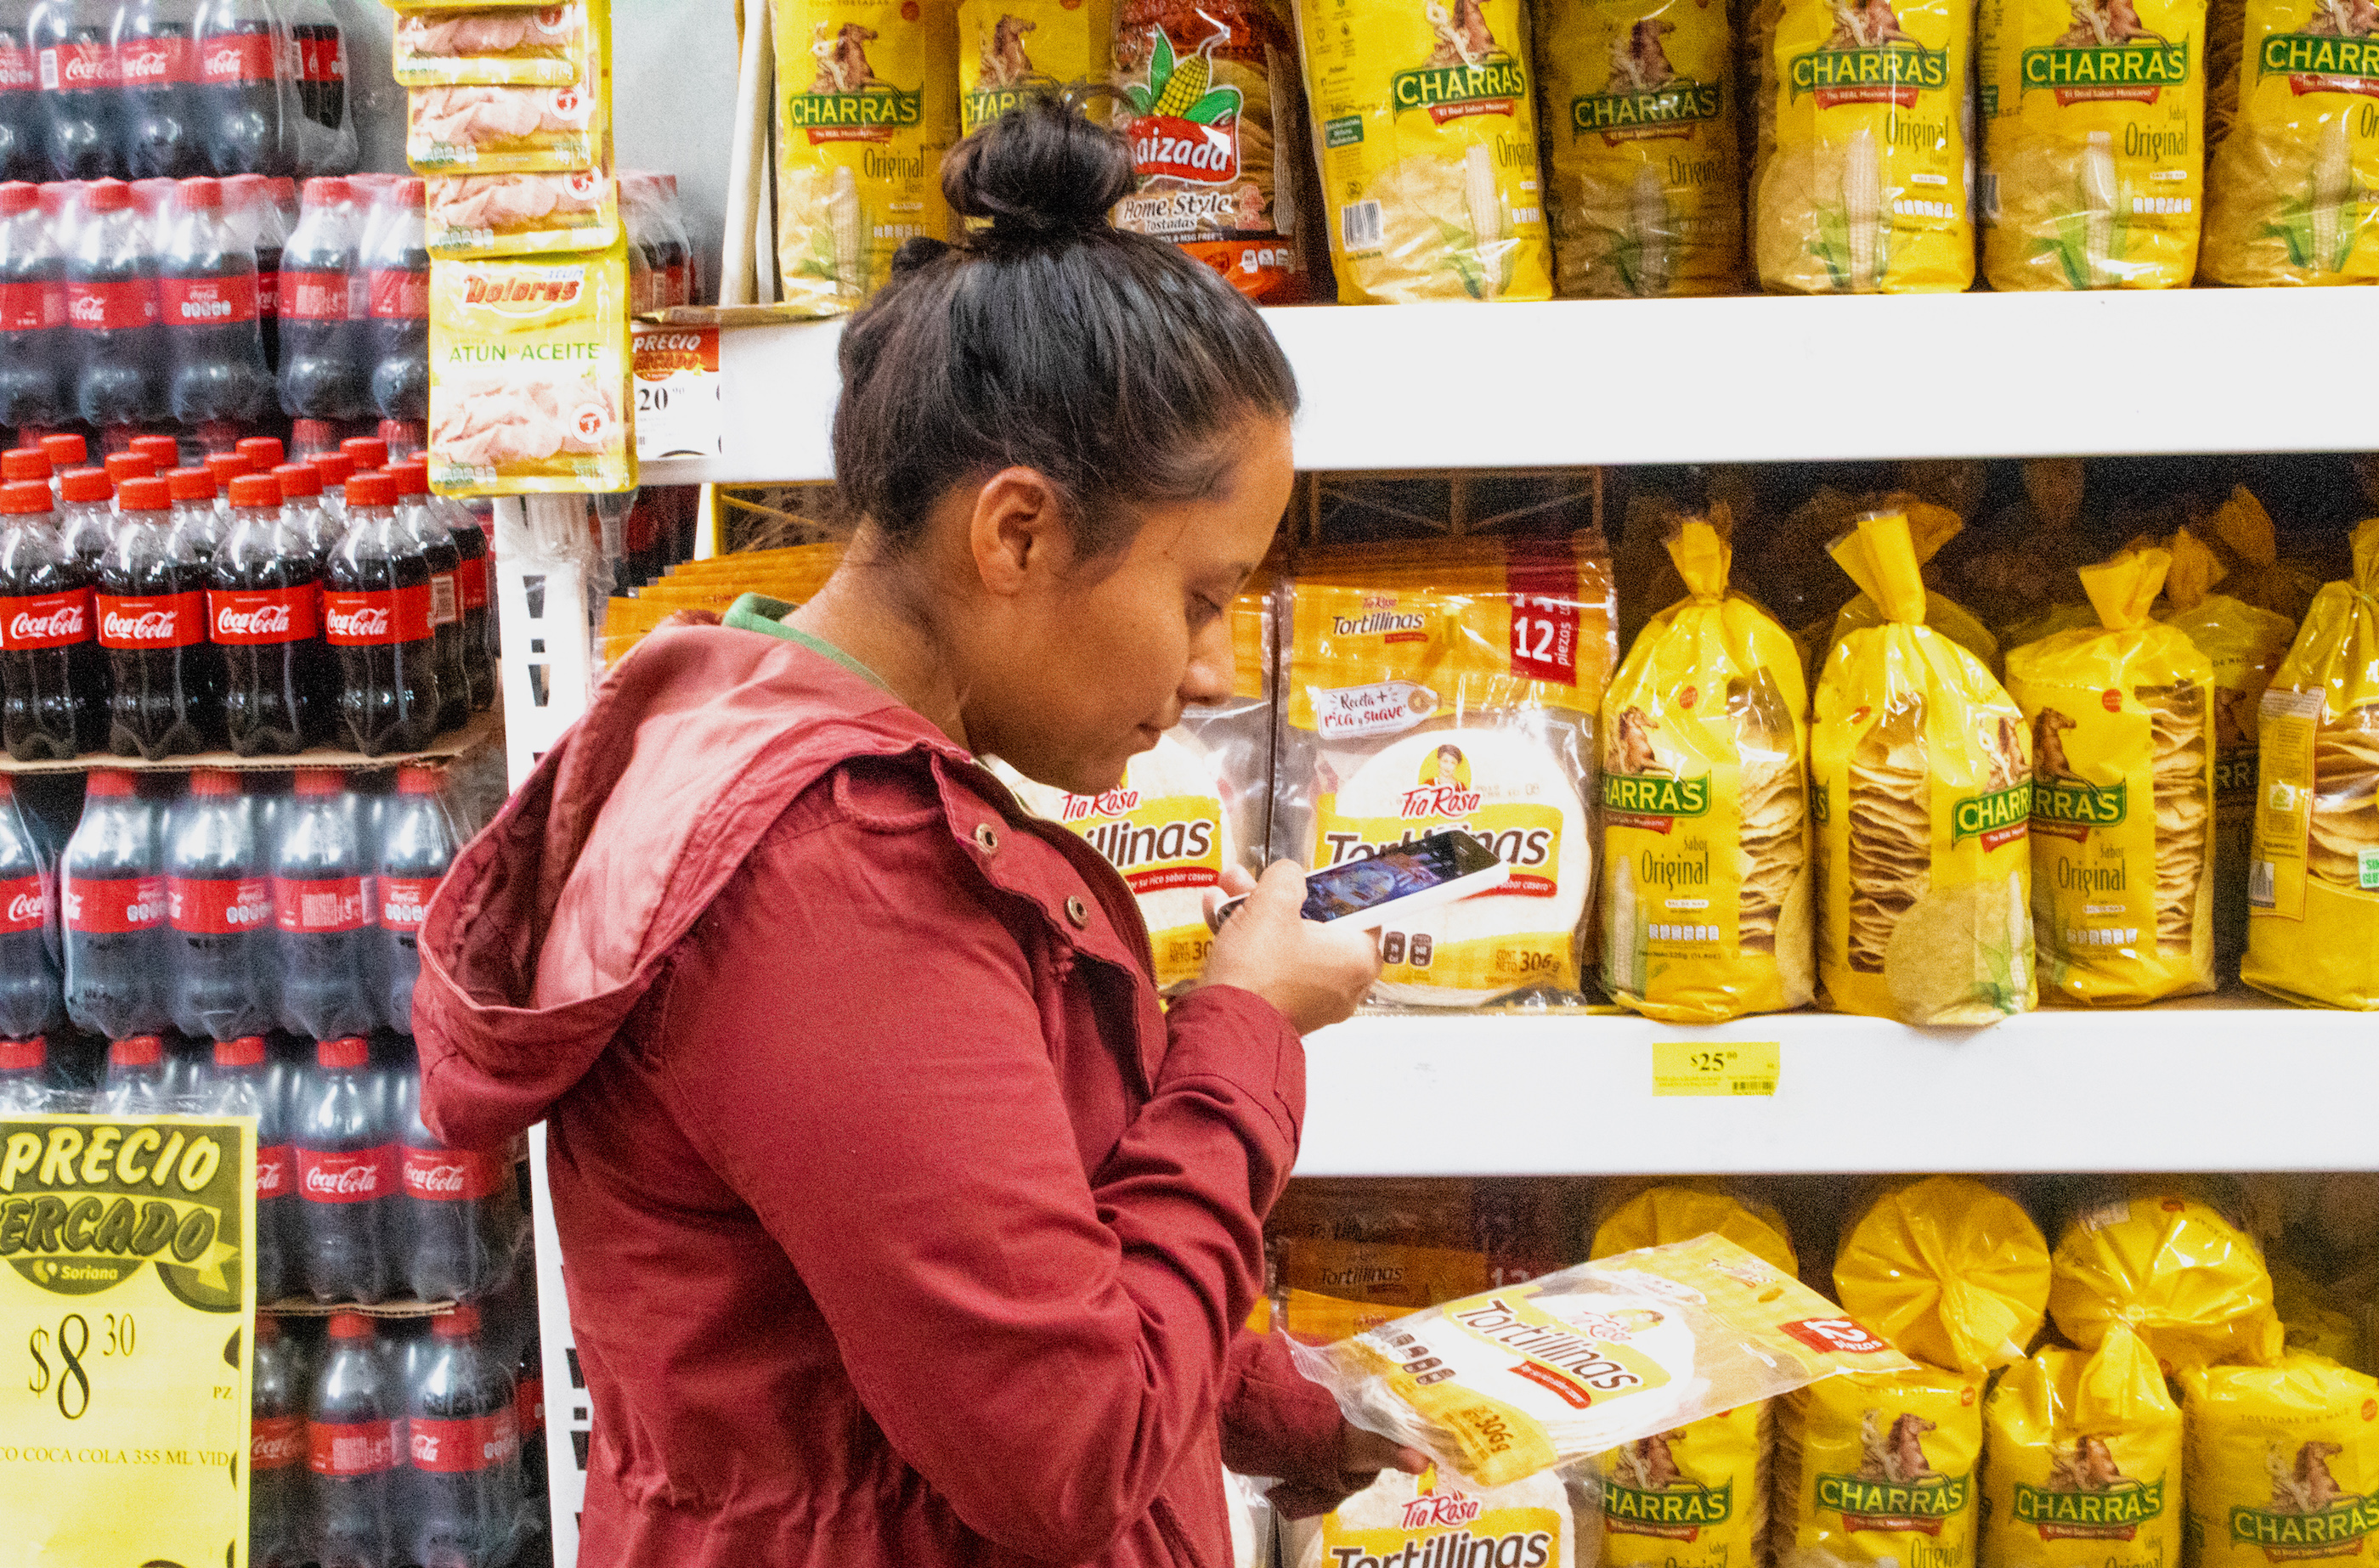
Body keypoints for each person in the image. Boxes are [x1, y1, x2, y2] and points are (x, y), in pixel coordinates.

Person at [413, 100, 1419, 1565]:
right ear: (1015, 534)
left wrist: (1282, 1401)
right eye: (1201, 596)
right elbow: (1066, 1456)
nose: (1210, 669)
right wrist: (1243, 1038)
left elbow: (991, 1229)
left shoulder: (800, 755)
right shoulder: (829, 879)